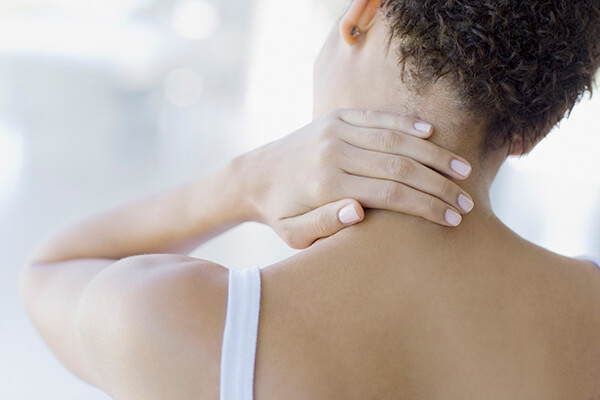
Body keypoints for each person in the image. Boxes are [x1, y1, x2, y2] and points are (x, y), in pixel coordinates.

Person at [20, 0, 600, 398]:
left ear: (364, 14)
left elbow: (49, 270)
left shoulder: (178, 320)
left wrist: (242, 183)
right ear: (533, 130)